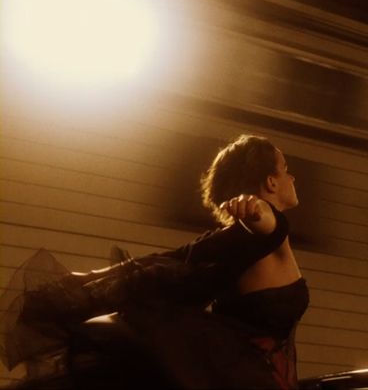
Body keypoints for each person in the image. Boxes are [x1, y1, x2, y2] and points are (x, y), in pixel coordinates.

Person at [0, 134, 308, 389]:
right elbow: (266, 223)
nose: (292, 176)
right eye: (286, 168)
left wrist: (85, 282)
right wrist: (257, 210)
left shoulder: (228, 243)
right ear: (271, 182)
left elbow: (165, 262)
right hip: (241, 377)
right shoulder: (262, 230)